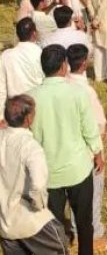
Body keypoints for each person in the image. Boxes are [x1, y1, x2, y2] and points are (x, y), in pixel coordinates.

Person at [30, 45, 104, 255]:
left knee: (54, 222)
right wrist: (98, 153)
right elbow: (89, 128)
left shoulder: (32, 97)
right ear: (64, 66)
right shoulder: (78, 92)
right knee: (84, 221)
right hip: (77, 169)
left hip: (49, 171)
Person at [0, 95, 70, 254]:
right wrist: (39, 207)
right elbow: (38, 185)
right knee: (60, 248)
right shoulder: (31, 147)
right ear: (28, 119)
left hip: (4, 220)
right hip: (28, 219)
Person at [66, 45, 107, 251]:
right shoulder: (86, 92)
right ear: (84, 63)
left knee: (73, 197)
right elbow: (99, 128)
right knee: (92, 196)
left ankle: (76, 231)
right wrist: (98, 153)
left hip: (67, 151)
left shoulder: (62, 86)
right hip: (87, 152)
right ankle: (95, 236)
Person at [0, 18, 43, 121]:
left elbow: (1, 89)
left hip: (14, 113)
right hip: (36, 109)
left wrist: (1, 116)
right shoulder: (40, 53)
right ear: (34, 34)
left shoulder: (6, 55)